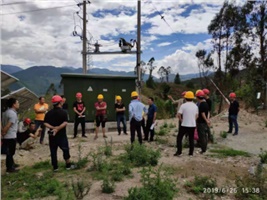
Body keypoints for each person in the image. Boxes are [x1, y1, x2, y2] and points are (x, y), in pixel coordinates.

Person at [44, 95, 73, 171]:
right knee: (65, 149)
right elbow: (65, 123)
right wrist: (58, 128)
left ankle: (55, 167)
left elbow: (45, 123)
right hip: (62, 135)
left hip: (52, 135)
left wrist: (53, 128)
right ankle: (68, 165)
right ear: (60, 102)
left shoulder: (49, 113)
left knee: (53, 150)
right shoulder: (63, 112)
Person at [174, 91, 198, 157]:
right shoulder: (195, 106)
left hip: (184, 124)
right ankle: (191, 153)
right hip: (192, 125)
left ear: (185, 98)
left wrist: (181, 120)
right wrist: (193, 120)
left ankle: (179, 152)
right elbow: (196, 115)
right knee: (191, 139)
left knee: (179, 138)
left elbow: (179, 114)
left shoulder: (183, 105)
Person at [1, 98, 20, 173]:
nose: (18, 104)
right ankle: (10, 168)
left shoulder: (6, 112)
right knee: (10, 152)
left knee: (9, 152)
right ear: (14, 104)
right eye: (17, 103)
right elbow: (9, 125)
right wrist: (4, 131)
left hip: (7, 136)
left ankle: (12, 164)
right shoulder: (12, 114)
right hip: (10, 135)